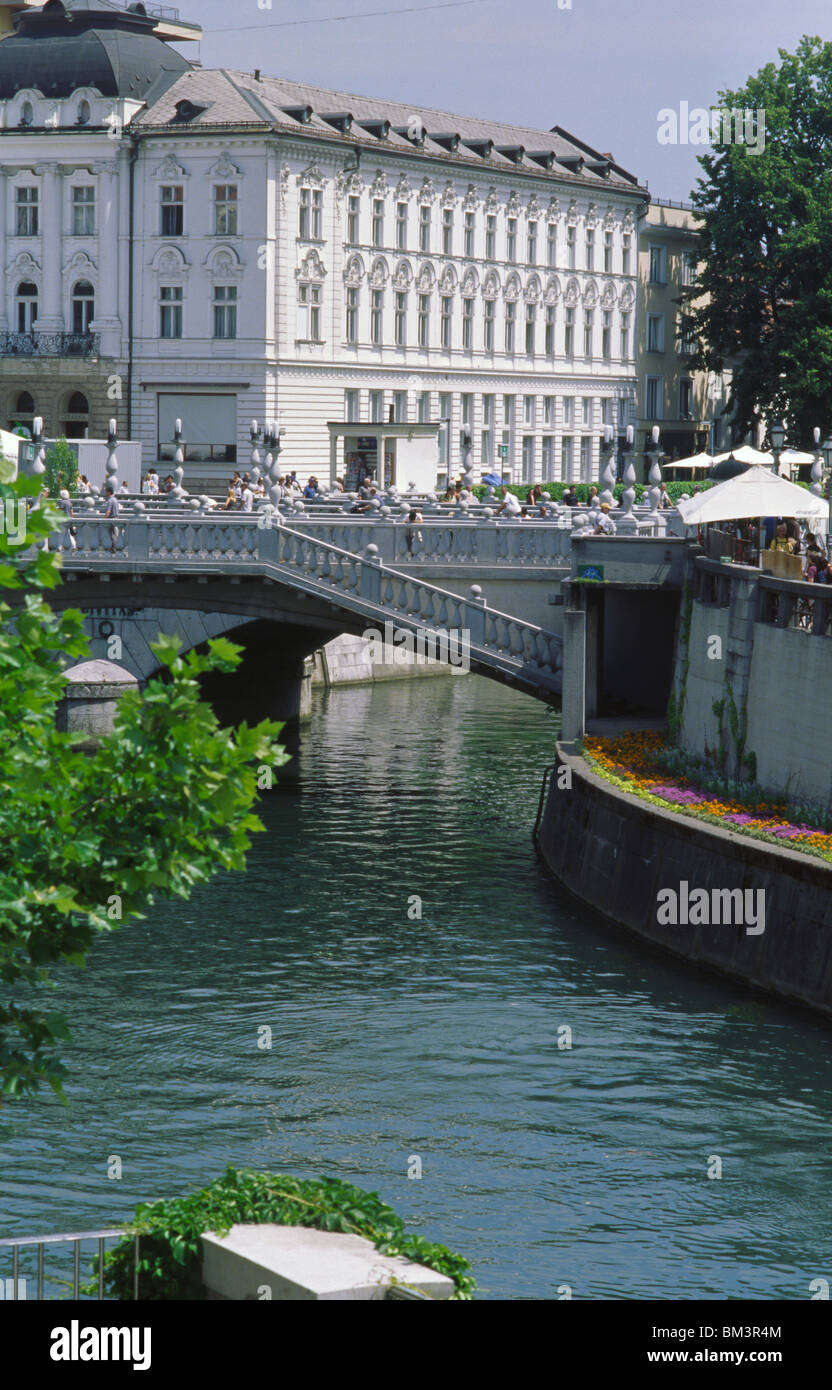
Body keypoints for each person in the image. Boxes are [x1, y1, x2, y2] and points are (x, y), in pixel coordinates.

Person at [104, 484, 120, 553]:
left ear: (109, 492)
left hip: (112, 519)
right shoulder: (115, 500)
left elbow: (108, 511)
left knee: (112, 535)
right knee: (115, 534)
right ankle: (115, 547)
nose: (105, 493)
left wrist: (104, 519)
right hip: (116, 518)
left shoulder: (110, 500)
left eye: (106, 492)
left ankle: (113, 548)